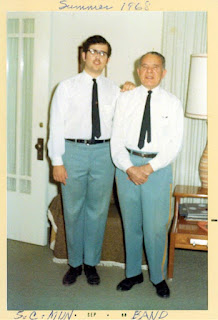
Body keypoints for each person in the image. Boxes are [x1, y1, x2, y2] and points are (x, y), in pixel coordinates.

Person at [48, 35, 121, 286]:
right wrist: (57, 160)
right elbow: (55, 126)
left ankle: (91, 263)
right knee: (73, 209)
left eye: (103, 53)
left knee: (98, 210)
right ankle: (74, 264)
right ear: (84, 55)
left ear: (107, 59)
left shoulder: (115, 90)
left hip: (104, 154)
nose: (98, 56)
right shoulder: (66, 87)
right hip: (73, 152)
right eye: (93, 51)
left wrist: (132, 89)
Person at [111, 52, 184, 298]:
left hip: (158, 169)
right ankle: (133, 273)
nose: (149, 71)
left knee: (154, 227)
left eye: (155, 67)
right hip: (126, 167)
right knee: (131, 224)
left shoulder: (173, 103)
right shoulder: (125, 98)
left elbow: (174, 144)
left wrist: (148, 168)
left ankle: (157, 277)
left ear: (163, 72)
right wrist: (129, 167)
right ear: (138, 71)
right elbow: (116, 139)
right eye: (144, 67)